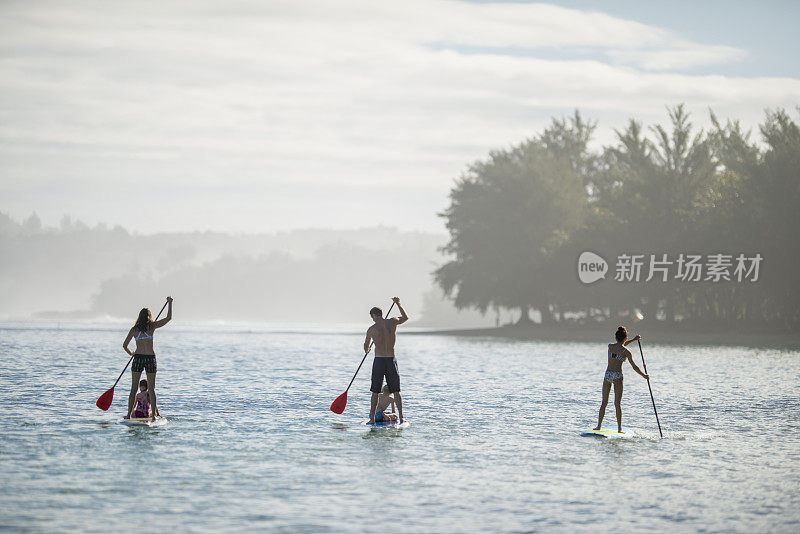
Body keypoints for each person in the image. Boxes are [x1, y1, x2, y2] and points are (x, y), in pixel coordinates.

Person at [123, 297, 173, 420]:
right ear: (149, 316)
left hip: (138, 358)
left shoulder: (134, 330)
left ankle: (129, 414)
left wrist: (131, 353)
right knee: (151, 389)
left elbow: (124, 345)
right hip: (150, 358)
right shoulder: (152, 326)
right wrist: (170, 304)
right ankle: (154, 416)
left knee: (133, 388)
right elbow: (168, 318)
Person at [593, 325, 648, 433]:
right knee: (617, 403)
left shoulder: (610, 346)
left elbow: (620, 345)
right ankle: (619, 429)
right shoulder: (626, 352)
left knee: (604, 402)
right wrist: (644, 376)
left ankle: (598, 426)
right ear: (625, 338)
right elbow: (634, 367)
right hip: (617, 376)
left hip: (608, 375)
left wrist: (632, 340)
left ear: (615, 337)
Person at [364, 296, 408, 424]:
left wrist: (367, 350)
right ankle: (401, 417)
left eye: (372, 317)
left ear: (374, 315)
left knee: (375, 391)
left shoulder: (371, 329)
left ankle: (371, 419)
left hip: (379, 360)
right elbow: (405, 317)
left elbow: (366, 346)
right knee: (396, 391)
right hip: (390, 360)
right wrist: (398, 304)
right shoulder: (392, 322)